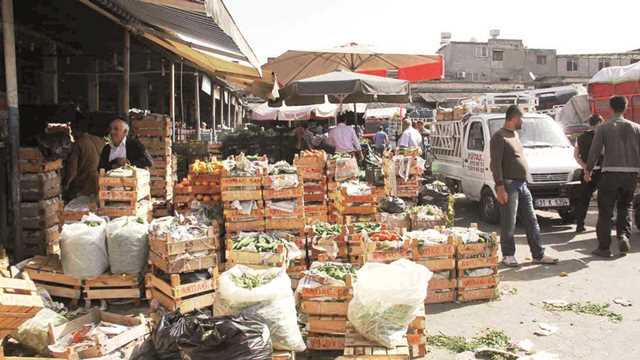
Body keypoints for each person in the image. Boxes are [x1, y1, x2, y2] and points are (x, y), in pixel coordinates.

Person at [490, 105, 558, 267]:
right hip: (508, 185)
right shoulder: (499, 137)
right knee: (509, 222)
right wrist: (500, 187)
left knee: (531, 220)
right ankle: (508, 255)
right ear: (513, 118)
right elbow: (495, 164)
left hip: (522, 184)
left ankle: (538, 254)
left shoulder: (514, 135)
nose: (523, 122)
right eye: (521, 118)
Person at [585, 96, 640, 257]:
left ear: (610, 107)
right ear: (626, 107)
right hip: (630, 174)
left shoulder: (603, 127)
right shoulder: (637, 128)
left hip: (610, 173)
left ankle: (604, 248)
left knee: (605, 210)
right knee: (625, 206)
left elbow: (595, 151)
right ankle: (623, 236)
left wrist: (588, 170)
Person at [573, 114, 604, 233]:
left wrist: (585, 167)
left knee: (584, 199)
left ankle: (580, 225)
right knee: (604, 199)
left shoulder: (580, 137)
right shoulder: (601, 136)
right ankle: (605, 223)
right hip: (601, 171)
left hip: (586, 172)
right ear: (598, 123)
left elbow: (576, 156)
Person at [64, 121, 105, 199]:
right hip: (98, 182)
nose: (72, 134)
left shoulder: (78, 144)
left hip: (82, 186)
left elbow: (72, 171)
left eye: (72, 131)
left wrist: (66, 185)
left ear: (77, 130)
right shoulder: (100, 140)